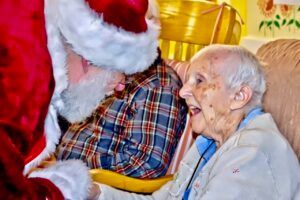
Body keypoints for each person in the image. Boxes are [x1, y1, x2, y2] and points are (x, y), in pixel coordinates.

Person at [91, 44, 300, 199]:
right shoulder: (208, 145)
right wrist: (96, 193)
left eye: (199, 81)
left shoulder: (252, 156)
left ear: (239, 96)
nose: (182, 92)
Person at [45, 0, 187, 179]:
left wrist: (74, 168)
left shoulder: (157, 86)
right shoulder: (95, 70)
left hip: (95, 187)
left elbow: (145, 163)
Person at [0, 0, 94, 199]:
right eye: (117, 76)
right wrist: (61, 189)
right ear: (88, 60)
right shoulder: (26, 80)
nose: (120, 87)